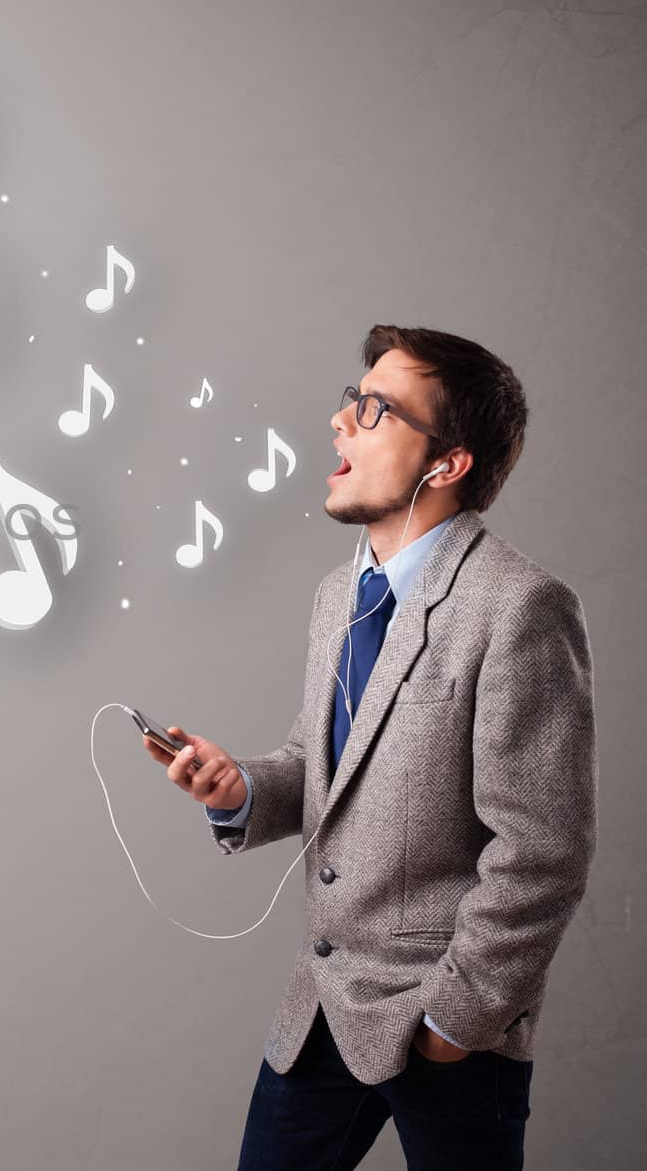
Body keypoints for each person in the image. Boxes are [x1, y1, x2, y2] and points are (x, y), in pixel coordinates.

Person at [144, 325, 596, 1170]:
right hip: (321, 1007)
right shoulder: (335, 594)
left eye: (374, 408)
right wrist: (238, 786)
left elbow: (545, 851)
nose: (340, 421)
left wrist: (454, 1023)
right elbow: (328, 770)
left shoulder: (522, 608)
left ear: (447, 463)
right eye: (351, 400)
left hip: (447, 1018)